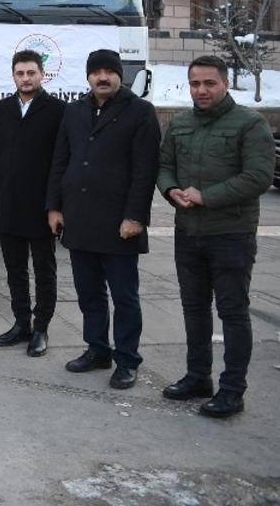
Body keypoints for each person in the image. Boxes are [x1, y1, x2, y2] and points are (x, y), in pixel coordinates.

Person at [156, 55, 274, 418]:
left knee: (232, 312)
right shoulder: (180, 123)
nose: (201, 90)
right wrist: (171, 189)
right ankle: (198, 377)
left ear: (225, 83)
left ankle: (233, 390)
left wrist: (206, 196)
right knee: (194, 308)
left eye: (209, 83)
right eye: (195, 84)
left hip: (231, 235)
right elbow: (164, 166)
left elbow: (258, 177)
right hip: (188, 232)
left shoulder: (250, 123)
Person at [48, 49, 161, 390]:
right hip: (79, 219)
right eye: (96, 71)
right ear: (88, 77)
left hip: (119, 224)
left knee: (124, 297)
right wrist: (54, 207)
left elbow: (145, 171)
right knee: (89, 293)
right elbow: (60, 161)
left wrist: (135, 217)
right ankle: (97, 349)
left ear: (119, 75)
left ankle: (127, 360)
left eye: (109, 71)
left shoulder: (140, 111)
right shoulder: (74, 110)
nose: (102, 77)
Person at [0, 49, 67, 355]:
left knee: (44, 270)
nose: (26, 78)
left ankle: (41, 327)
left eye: (31, 73)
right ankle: (21, 323)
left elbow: (62, 161)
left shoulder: (58, 110)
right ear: (13, 76)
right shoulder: (1, 109)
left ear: (42, 74)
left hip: (41, 206)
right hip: (8, 203)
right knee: (15, 269)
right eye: (20, 73)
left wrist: (56, 205)